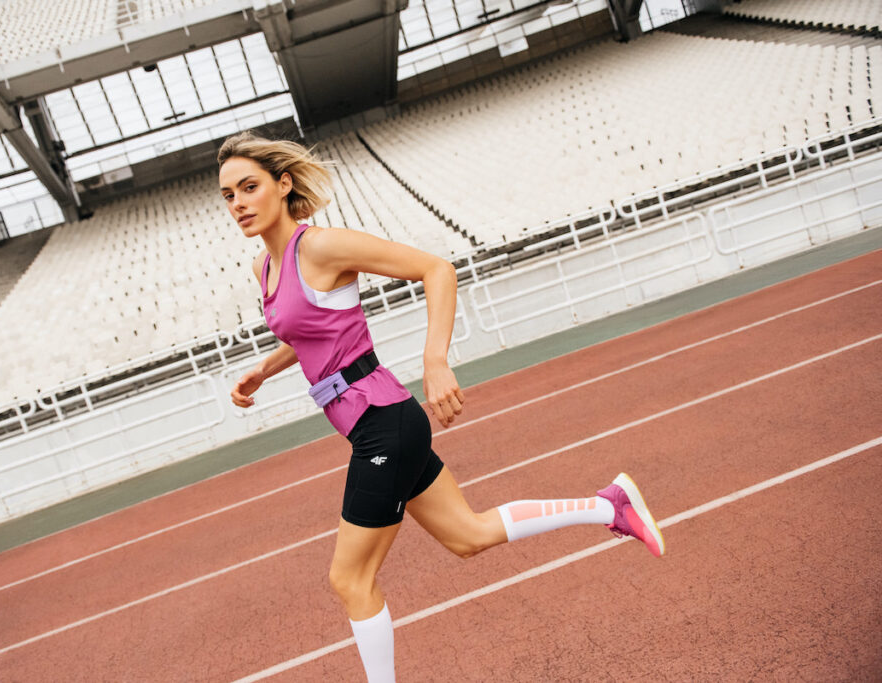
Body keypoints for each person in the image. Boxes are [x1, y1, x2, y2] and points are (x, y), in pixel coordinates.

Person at [219, 131, 665, 682]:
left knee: (349, 578)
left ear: (282, 185)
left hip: (385, 423)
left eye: (249, 187)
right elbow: (308, 327)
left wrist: (435, 359)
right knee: (468, 536)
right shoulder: (266, 269)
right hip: (371, 426)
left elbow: (437, 269)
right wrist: (265, 368)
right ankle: (610, 506)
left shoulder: (320, 246)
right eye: (228, 195)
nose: (238, 202)